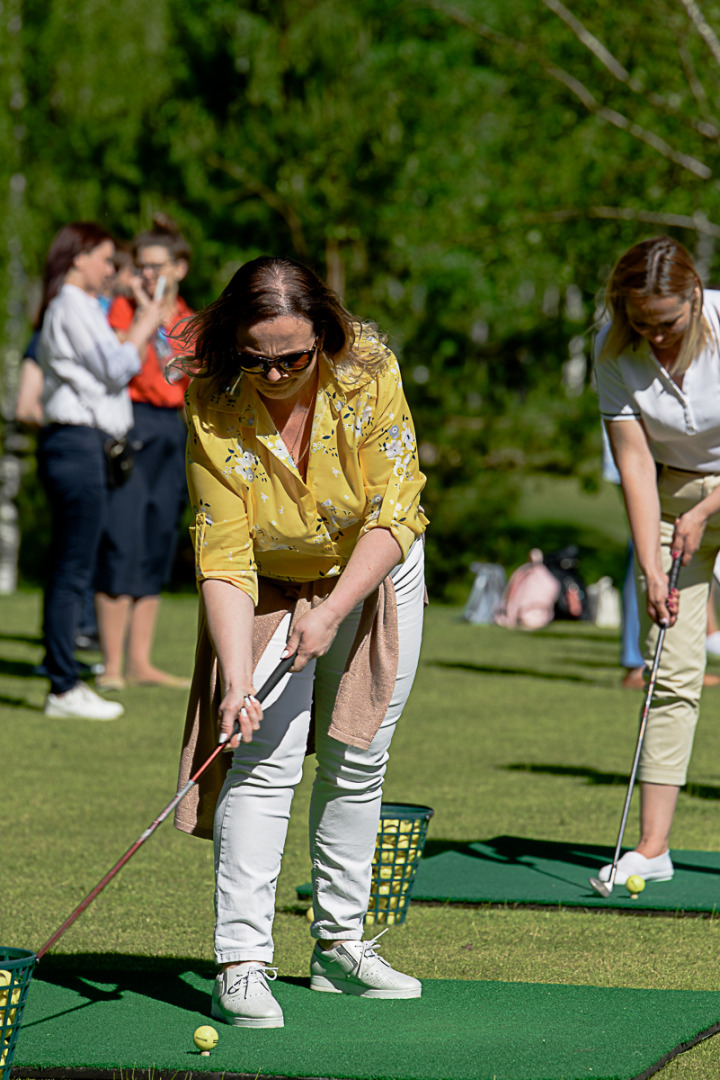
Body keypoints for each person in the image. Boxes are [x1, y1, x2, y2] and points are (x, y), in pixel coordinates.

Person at [173, 256, 428, 1028]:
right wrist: (235, 677)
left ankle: (338, 945)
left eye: (293, 356)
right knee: (261, 756)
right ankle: (243, 962)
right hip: (269, 578)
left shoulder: (369, 371)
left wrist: (332, 612)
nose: (277, 372)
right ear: (233, 348)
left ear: (324, 335)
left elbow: (395, 512)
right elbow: (222, 553)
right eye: (258, 359)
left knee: (358, 751)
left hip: (373, 566)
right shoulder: (213, 401)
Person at [594, 234, 720, 885]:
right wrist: (650, 567)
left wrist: (704, 513)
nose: (657, 339)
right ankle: (653, 847)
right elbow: (636, 462)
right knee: (669, 669)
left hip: (709, 499)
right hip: (673, 493)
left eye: (667, 323)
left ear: (694, 297)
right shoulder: (613, 349)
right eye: (642, 324)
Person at [37, 222, 164, 720]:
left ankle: (63, 678)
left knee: (71, 566)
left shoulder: (75, 306)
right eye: (106, 260)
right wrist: (147, 319)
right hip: (75, 443)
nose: (111, 270)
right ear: (79, 258)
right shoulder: (70, 305)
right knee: (73, 568)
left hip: (79, 444)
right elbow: (116, 367)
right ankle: (63, 687)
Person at [95, 214, 193, 689]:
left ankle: (141, 661)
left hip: (172, 430)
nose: (150, 274)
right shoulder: (121, 309)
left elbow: (183, 380)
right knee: (122, 536)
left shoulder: (190, 321)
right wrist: (142, 313)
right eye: (143, 266)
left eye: (158, 266)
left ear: (180, 268)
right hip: (132, 420)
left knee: (156, 538)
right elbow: (126, 362)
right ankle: (112, 664)